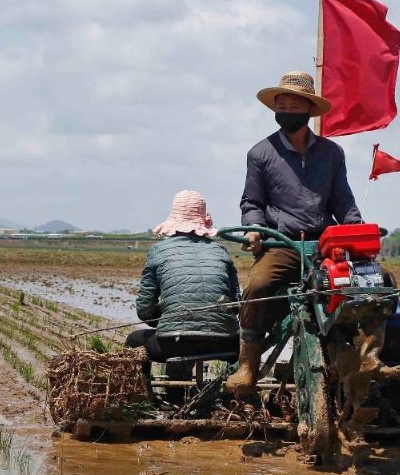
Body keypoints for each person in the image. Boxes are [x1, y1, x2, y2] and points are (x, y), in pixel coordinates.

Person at [225, 71, 363, 398]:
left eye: (293, 104)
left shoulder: (331, 153)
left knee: (370, 281)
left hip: (323, 243)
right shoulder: (261, 153)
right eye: (281, 104)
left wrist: (357, 232)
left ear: (308, 110)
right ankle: (248, 364)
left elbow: (343, 202)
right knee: (258, 285)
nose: (286, 109)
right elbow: (252, 201)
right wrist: (254, 231)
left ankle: (364, 353)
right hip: (282, 243)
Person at [126, 190, 240, 363]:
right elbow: (236, 303)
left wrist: (170, 317)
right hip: (224, 342)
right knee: (244, 344)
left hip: (174, 343)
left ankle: (145, 390)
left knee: (134, 340)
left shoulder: (158, 251)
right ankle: (232, 387)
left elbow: (144, 310)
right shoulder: (220, 251)